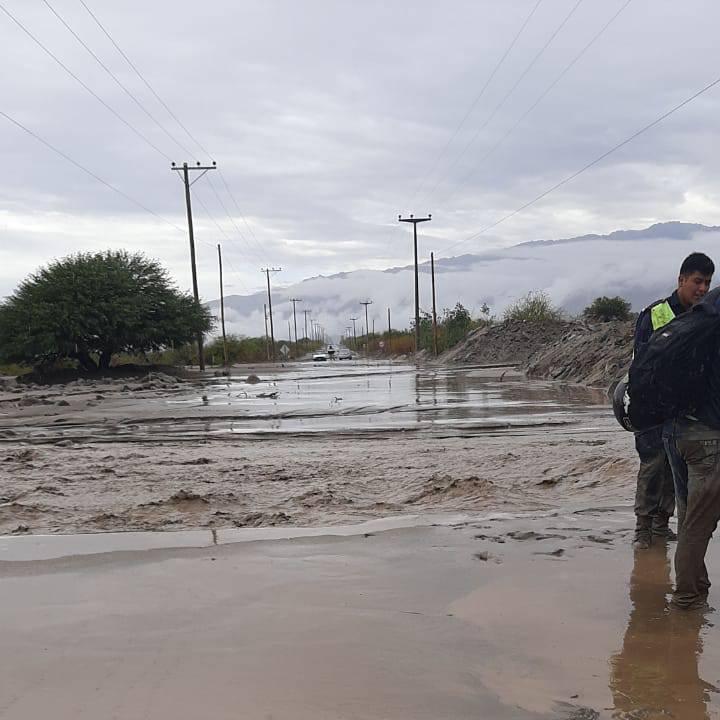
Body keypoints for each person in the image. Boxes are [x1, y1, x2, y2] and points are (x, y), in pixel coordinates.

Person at [631, 253, 714, 550]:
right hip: (653, 407)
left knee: (674, 469)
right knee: (652, 467)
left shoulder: (706, 317)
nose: (702, 289)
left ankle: (662, 525)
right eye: (697, 281)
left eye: (707, 282)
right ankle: (643, 528)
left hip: (687, 410)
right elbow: (640, 364)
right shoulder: (655, 314)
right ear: (681, 280)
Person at [671, 283, 720, 610]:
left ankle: (697, 589)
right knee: (697, 525)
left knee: (691, 517)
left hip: (679, 432)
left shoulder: (703, 315)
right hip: (707, 438)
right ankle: (687, 601)